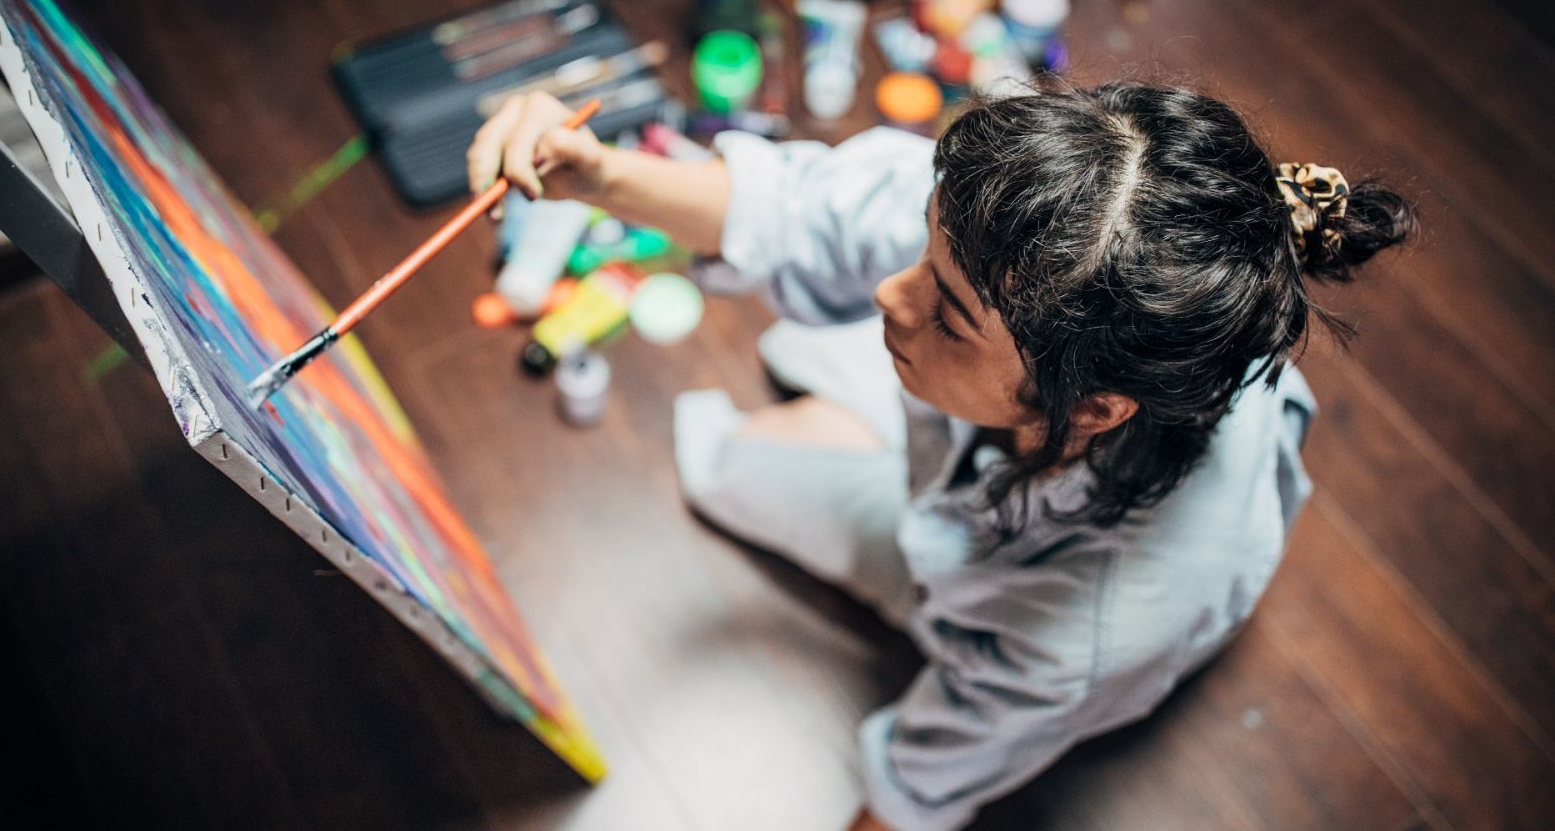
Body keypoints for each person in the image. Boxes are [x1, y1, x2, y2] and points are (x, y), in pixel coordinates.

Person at [465, 80, 1414, 831]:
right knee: (786, 368)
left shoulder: (1082, 628)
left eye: (947, 315)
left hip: (1061, 583)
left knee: (726, 465)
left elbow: (925, 786)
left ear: (1091, 407)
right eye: (923, 251)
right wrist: (595, 173)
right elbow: (806, 209)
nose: (889, 293)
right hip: (1010, 438)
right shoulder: (1030, 245)